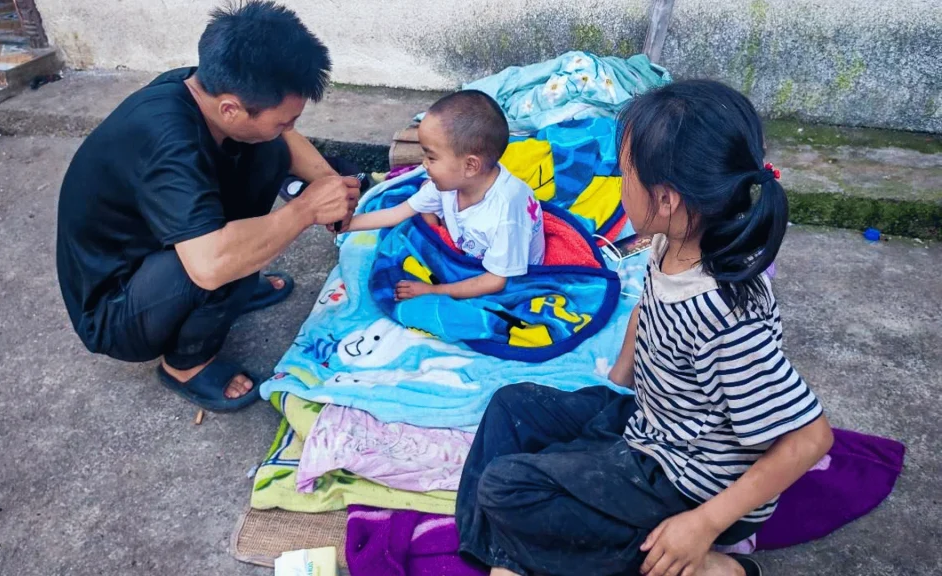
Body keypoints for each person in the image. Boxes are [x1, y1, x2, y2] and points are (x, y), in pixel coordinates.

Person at [455, 80, 835, 576]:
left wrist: (702, 524)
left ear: (667, 199)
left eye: (624, 172)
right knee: (512, 405)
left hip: (693, 483)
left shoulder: (724, 317)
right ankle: (504, 557)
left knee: (508, 488)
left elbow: (810, 439)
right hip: (652, 424)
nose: (618, 183)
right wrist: (617, 377)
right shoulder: (669, 243)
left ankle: (709, 568)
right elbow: (648, 306)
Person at [55, 1, 359, 412]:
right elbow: (209, 264)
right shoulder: (167, 142)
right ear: (231, 107)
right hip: (115, 309)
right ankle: (185, 364)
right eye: (283, 119)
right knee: (220, 264)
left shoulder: (201, 90)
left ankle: (234, 285)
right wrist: (305, 209)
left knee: (267, 149)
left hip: (157, 251)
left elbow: (282, 141)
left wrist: (328, 182)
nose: (290, 128)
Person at [344, 90, 545, 301]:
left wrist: (431, 291)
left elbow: (496, 281)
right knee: (423, 196)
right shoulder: (449, 183)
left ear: (470, 165)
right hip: (471, 248)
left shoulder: (506, 215)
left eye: (431, 157)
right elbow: (397, 213)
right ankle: (441, 232)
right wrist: (347, 224)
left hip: (504, 273)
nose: (424, 164)